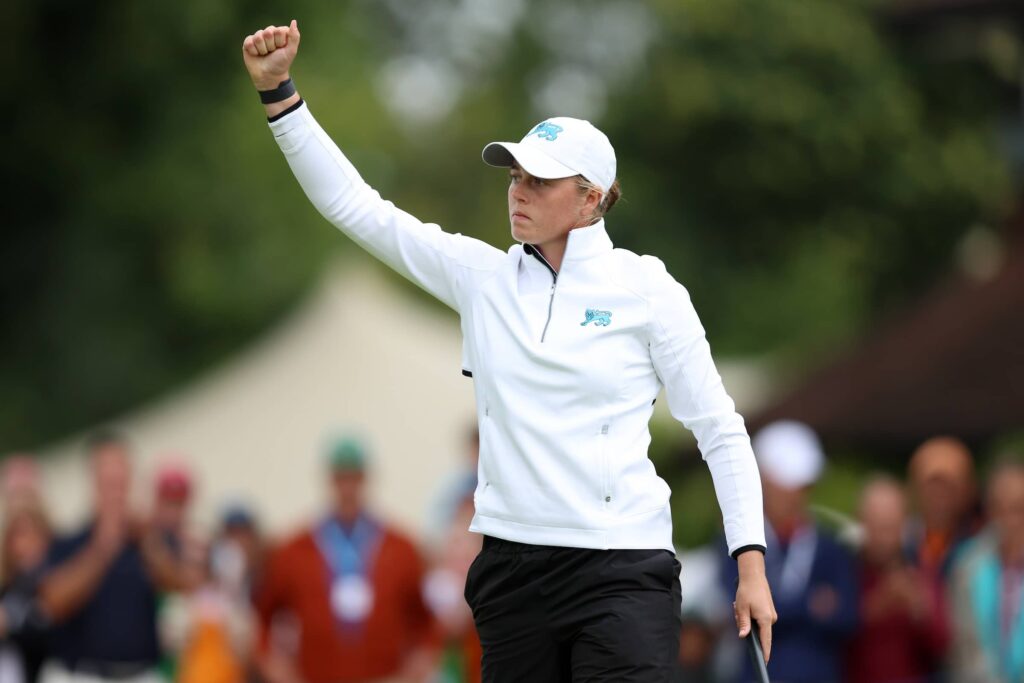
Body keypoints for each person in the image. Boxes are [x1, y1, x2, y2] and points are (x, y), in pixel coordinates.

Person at [240, 21, 775, 682]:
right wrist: (279, 95)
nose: (518, 191)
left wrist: (750, 563)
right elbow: (358, 207)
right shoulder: (481, 279)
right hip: (513, 572)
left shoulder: (648, 288)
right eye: (515, 175)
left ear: (591, 199)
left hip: (623, 569)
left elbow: (718, 428)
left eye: (540, 181)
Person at [253, 436, 437, 683]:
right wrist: (278, 669)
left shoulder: (401, 547)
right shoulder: (293, 549)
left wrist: (414, 671)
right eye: (340, 478)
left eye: (355, 478)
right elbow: (263, 620)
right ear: (329, 480)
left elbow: (426, 622)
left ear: (366, 479)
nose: (348, 488)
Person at [38, 430, 190, 683]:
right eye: (108, 480)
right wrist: (103, 547)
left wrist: (148, 543)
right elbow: (53, 603)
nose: (116, 489)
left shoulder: (149, 541)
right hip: (81, 675)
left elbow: (180, 584)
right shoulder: (68, 542)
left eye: (121, 478)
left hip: (141, 673)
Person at [722, 420, 857, 683]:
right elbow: (739, 612)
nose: (796, 495)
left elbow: (847, 616)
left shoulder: (829, 544)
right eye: (788, 484)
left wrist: (775, 607)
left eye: (803, 486)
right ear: (763, 481)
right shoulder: (734, 543)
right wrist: (812, 605)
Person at [845, 476, 949, 683]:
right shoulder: (846, 570)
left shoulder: (921, 572)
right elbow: (835, 635)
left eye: (890, 527)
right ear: (861, 521)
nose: (883, 537)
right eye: (876, 526)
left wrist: (918, 606)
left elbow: (942, 643)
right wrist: (878, 605)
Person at [949, 460, 1024, 683]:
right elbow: (963, 645)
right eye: (1000, 507)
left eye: (1019, 508)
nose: (1010, 520)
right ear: (989, 509)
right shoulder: (967, 565)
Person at [907, 436, 982, 580]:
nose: (939, 497)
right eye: (931, 487)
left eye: (949, 488)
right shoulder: (900, 547)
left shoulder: (984, 551)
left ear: (969, 491)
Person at [0, 495, 53, 683]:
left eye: (33, 533)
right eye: (19, 535)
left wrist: (12, 627)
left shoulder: (57, 582)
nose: (26, 543)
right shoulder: (8, 587)